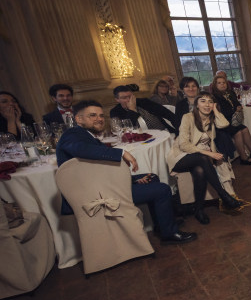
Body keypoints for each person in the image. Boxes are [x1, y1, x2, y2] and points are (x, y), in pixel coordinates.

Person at [56, 100, 196, 244]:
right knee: (162, 189)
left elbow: (98, 170)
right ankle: (170, 234)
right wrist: (121, 152)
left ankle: (163, 225)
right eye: (92, 115)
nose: (99, 119)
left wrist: (132, 180)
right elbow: (80, 149)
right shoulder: (71, 135)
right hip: (95, 194)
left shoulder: (86, 135)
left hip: (102, 185)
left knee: (152, 177)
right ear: (79, 119)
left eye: (101, 115)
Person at [167, 92, 245, 224]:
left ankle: (199, 210)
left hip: (198, 156)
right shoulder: (188, 117)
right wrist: (210, 154)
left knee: (200, 171)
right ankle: (223, 194)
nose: (207, 104)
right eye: (203, 101)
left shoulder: (211, 118)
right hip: (180, 156)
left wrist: (215, 110)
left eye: (210, 102)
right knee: (202, 159)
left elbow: (224, 124)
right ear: (196, 104)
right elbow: (184, 145)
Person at [210, 74, 251, 165]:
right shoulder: (214, 97)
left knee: (245, 129)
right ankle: (243, 157)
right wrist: (235, 110)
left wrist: (238, 107)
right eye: (219, 83)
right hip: (223, 122)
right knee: (238, 132)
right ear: (215, 85)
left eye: (224, 82)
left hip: (233, 120)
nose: (222, 84)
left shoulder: (230, 93)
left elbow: (237, 104)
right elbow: (222, 112)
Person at [110, 85, 179, 134]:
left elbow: (167, 113)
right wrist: (132, 110)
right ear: (117, 99)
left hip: (163, 132)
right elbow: (124, 130)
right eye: (124, 98)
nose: (129, 100)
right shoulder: (115, 112)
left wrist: (179, 130)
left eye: (130, 96)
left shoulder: (144, 102)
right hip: (138, 141)